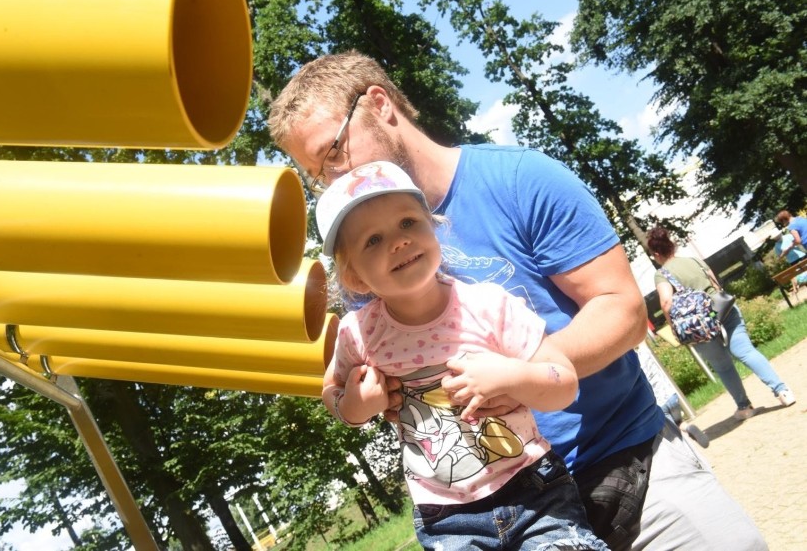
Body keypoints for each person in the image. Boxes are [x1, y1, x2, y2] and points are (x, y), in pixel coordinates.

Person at [269, 50, 768, 550]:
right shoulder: (363, 261)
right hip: (487, 518)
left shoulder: (518, 179)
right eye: (317, 173)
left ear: (379, 104)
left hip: (627, 464)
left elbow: (623, 308)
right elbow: (363, 386)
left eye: (332, 152)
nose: (331, 179)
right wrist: (371, 398)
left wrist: (524, 376)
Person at [317, 161, 607, 549]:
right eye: (372, 240)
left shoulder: (489, 305)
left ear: (434, 226)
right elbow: (331, 390)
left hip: (534, 493)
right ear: (353, 276)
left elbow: (564, 382)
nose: (398, 241)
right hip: (446, 519)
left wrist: (511, 377)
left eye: (407, 223)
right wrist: (354, 406)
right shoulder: (359, 334)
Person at [648, 226, 797, 421]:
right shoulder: (693, 260)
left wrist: (676, 328)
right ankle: (782, 391)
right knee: (746, 351)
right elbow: (715, 283)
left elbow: (667, 303)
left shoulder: (662, 274)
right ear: (672, 246)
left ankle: (744, 406)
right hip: (724, 309)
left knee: (723, 366)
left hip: (698, 324)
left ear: (656, 254)